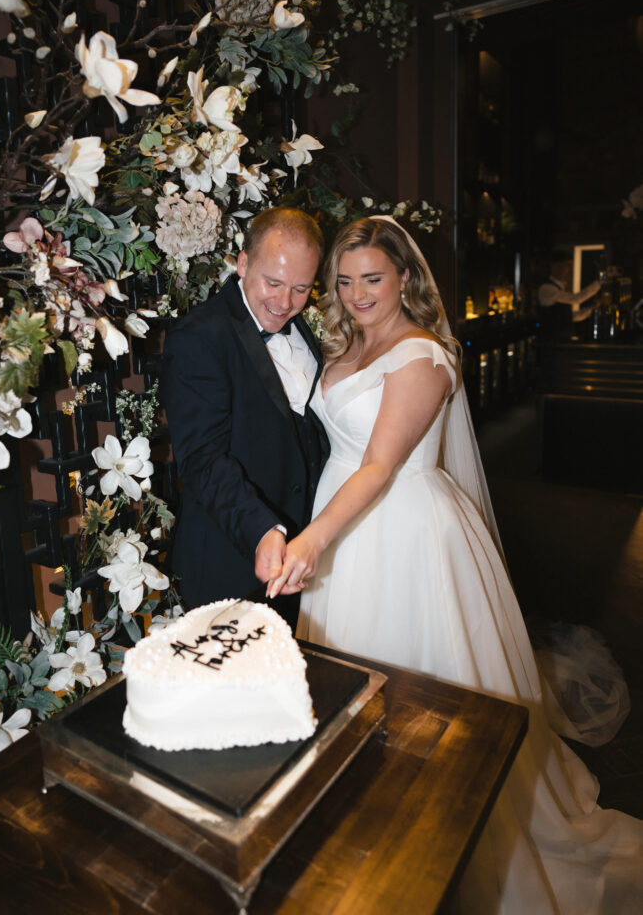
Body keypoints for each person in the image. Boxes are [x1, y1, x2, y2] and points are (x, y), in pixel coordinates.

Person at [267, 216, 643, 914]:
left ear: (405, 277)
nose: (356, 295)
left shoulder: (422, 358)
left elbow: (379, 466)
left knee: (420, 696)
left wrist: (314, 539)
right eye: (345, 282)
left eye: (372, 279)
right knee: (355, 691)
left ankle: (438, 832)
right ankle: (372, 820)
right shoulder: (347, 344)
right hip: (345, 526)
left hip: (399, 535)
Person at [161, 206, 329, 628]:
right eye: (272, 283)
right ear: (242, 264)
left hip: (303, 566)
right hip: (229, 565)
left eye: (300, 289)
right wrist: (261, 531)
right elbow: (201, 457)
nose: (284, 302)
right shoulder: (200, 335)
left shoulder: (303, 326)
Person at [537, 251, 600, 339]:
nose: (569, 270)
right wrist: (599, 283)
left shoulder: (559, 288)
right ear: (555, 266)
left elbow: (570, 317)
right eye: (567, 265)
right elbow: (576, 299)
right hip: (551, 343)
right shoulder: (546, 288)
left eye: (570, 266)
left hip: (562, 342)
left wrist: (592, 309)